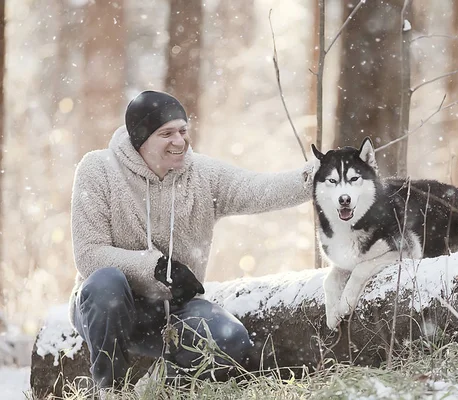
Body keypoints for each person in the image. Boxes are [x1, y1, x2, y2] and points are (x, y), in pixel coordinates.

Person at [69, 90, 315, 389]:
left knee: (231, 340)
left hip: (172, 310)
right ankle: (109, 391)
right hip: (106, 307)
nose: (180, 141)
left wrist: (315, 177)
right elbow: (89, 254)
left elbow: (258, 189)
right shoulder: (98, 169)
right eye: (167, 133)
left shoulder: (202, 175)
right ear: (140, 140)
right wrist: (157, 267)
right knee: (105, 283)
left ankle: (162, 387)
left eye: (183, 130)